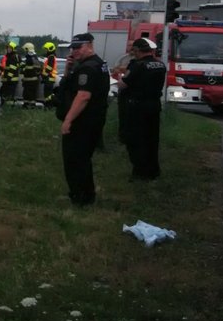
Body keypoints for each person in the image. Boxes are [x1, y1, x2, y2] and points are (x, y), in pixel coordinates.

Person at [57, 32, 111, 207]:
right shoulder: (98, 64)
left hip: (83, 122)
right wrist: (68, 70)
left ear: (89, 45)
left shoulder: (88, 67)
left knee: (75, 161)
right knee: (82, 160)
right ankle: (85, 196)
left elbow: (83, 96)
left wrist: (68, 120)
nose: (75, 52)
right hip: (92, 119)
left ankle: (80, 198)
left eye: (78, 47)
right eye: (73, 48)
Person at [117, 37, 166, 180]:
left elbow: (123, 85)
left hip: (137, 107)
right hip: (154, 105)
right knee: (152, 139)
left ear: (137, 51)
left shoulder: (137, 65)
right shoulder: (160, 65)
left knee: (136, 140)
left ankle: (140, 172)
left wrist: (120, 78)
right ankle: (153, 170)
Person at [0, 41, 22, 105]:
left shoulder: (12, 57)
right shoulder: (15, 56)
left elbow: (12, 68)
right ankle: (7, 105)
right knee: (6, 93)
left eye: (10, 48)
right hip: (10, 79)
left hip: (10, 79)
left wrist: (8, 77)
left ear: (13, 49)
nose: (8, 49)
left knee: (9, 94)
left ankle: (8, 107)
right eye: (7, 48)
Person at [19, 42, 42, 108]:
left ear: (28, 50)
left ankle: (31, 106)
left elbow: (37, 69)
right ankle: (26, 105)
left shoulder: (32, 59)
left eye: (25, 50)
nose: (25, 52)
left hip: (31, 81)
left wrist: (23, 70)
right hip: (28, 80)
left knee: (31, 94)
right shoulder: (30, 58)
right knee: (26, 94)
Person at [40, 41, 58, 106]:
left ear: (50, 49)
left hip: (49, 78)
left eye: (46, 49)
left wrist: (42, 75)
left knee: (48, 94)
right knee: (48, 94)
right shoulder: (51, 57)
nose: (46, 51)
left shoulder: (51, 57)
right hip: (50, 78)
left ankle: (49, 106)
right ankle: (48, 105)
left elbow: (49, 68)